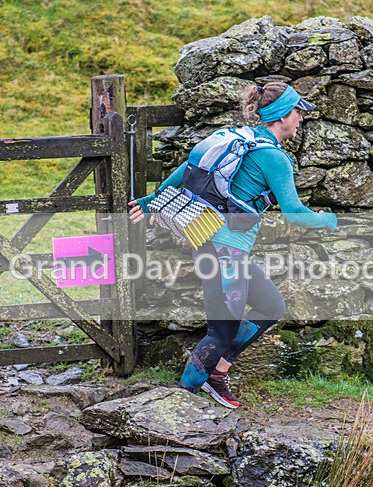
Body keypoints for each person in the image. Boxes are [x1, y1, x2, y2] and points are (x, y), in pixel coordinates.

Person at [128, 82, 337, 409]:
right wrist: (327, 220)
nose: (301, 118)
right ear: (283, 116)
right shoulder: (273, 157)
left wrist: (155, 198)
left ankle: (216, 374)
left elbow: (187, 168)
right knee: (220, 331)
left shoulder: (240, 139)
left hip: (213, 245)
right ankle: (182, 402)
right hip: (224, 252)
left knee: (271, 307)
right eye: (298, 112)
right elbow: (295, 214)